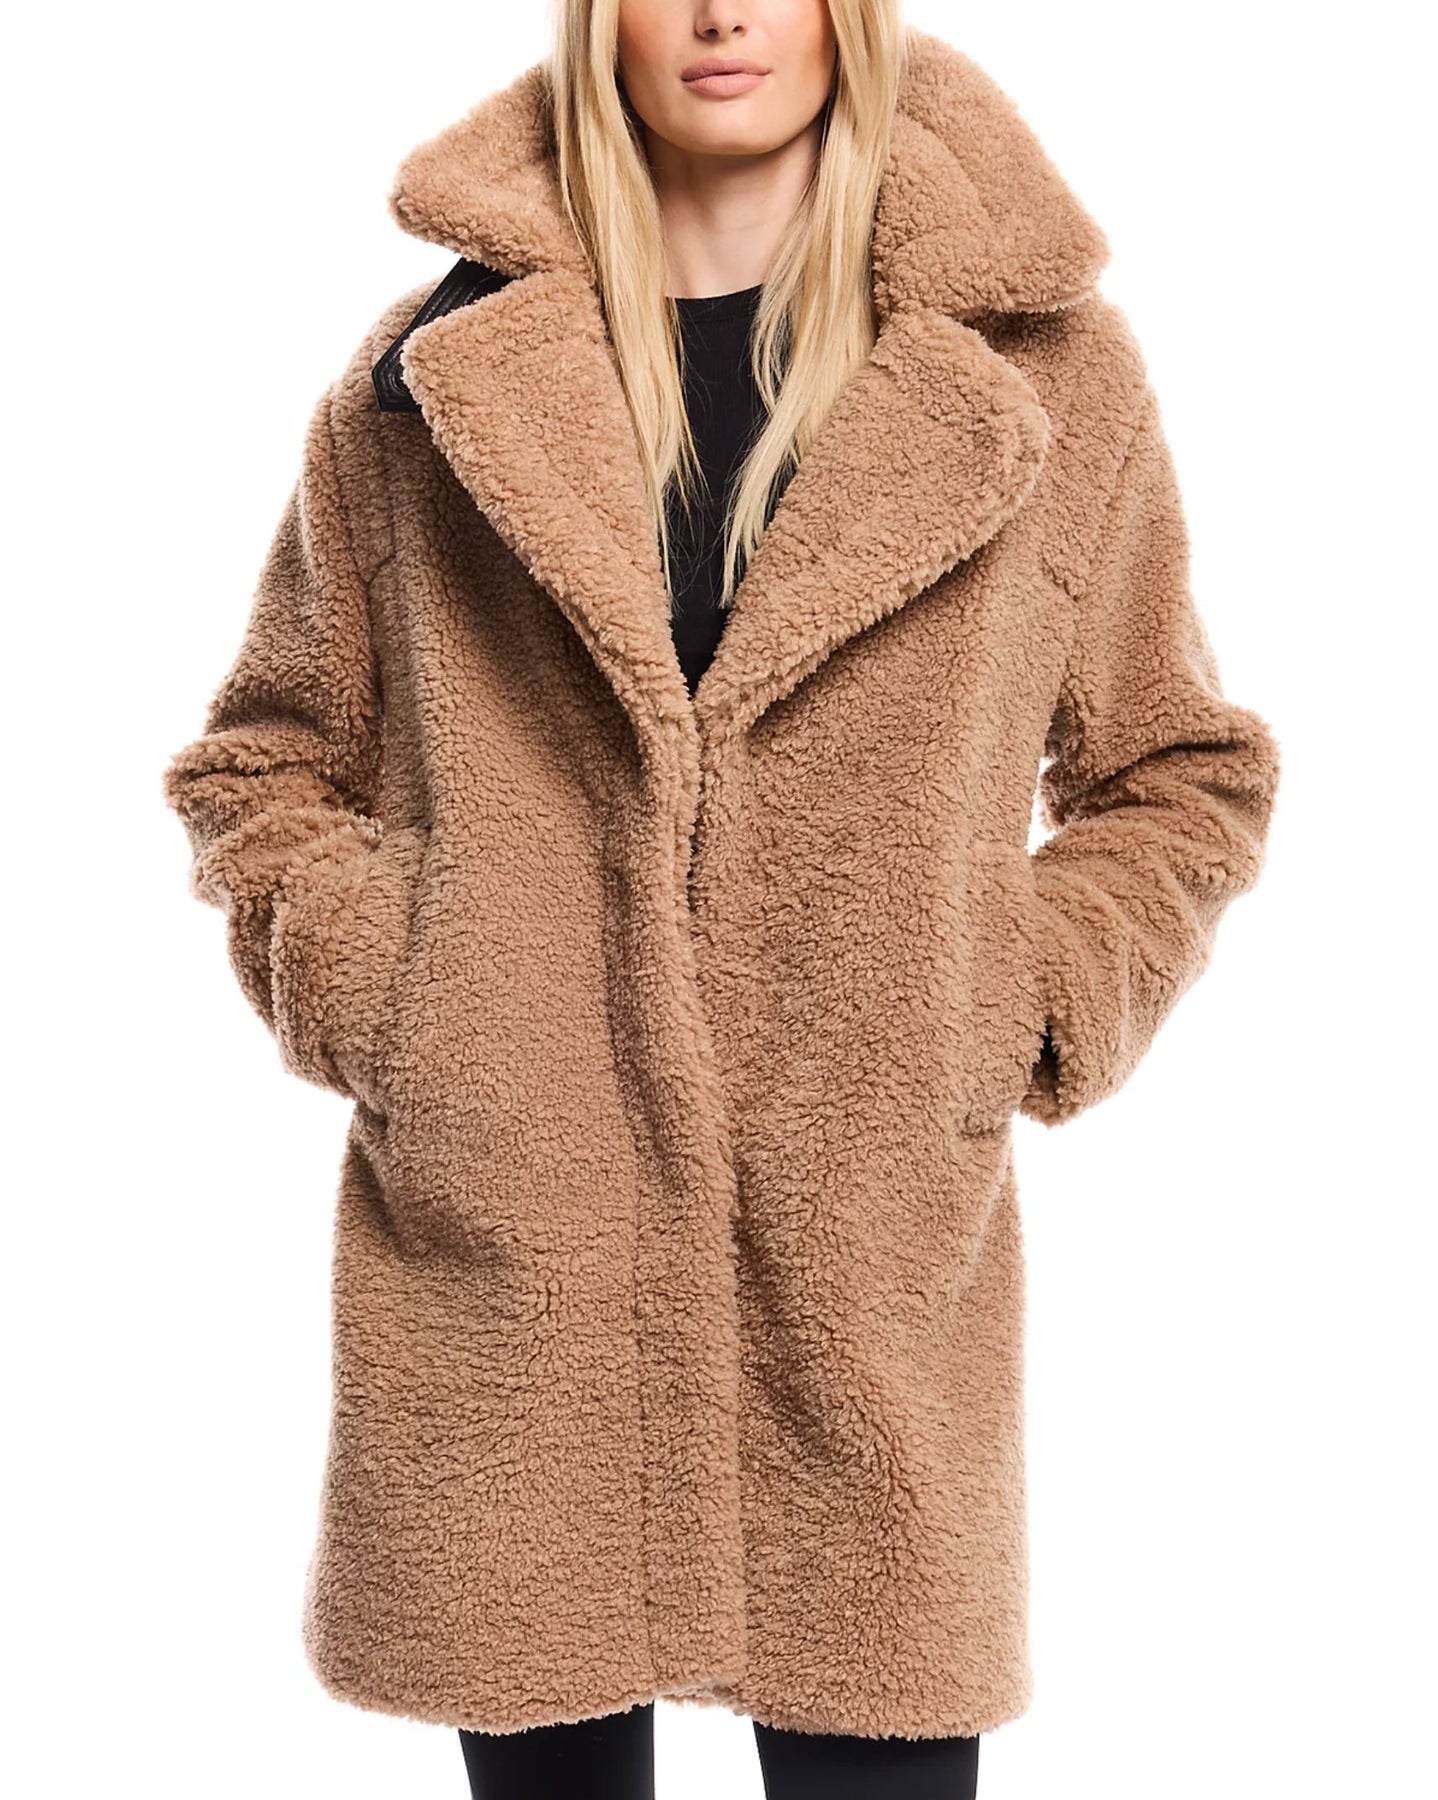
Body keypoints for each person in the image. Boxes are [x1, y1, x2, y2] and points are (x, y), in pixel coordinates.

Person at [160, 4, 1280, 1797]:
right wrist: (400, 988)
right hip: (517, 1253)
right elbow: (266, 762)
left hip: (867, 1254)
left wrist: (1012, 987)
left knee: (875, 1731)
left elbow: (1177, 767)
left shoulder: (1039, 373)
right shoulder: (435, 378)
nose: (719, 13)